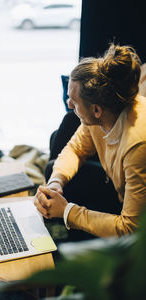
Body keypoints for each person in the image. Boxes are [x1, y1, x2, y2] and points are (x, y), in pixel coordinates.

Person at [34, 43, 146, 238]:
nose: (68, 103)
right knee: (55, 167)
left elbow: (130, 229)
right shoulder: (103, 113)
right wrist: (55, 182)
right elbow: (76, 149)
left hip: (136, 224)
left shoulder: (137, 144)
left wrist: (68, 211)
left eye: (74, 101)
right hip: (117, 185)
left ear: (96, 110)